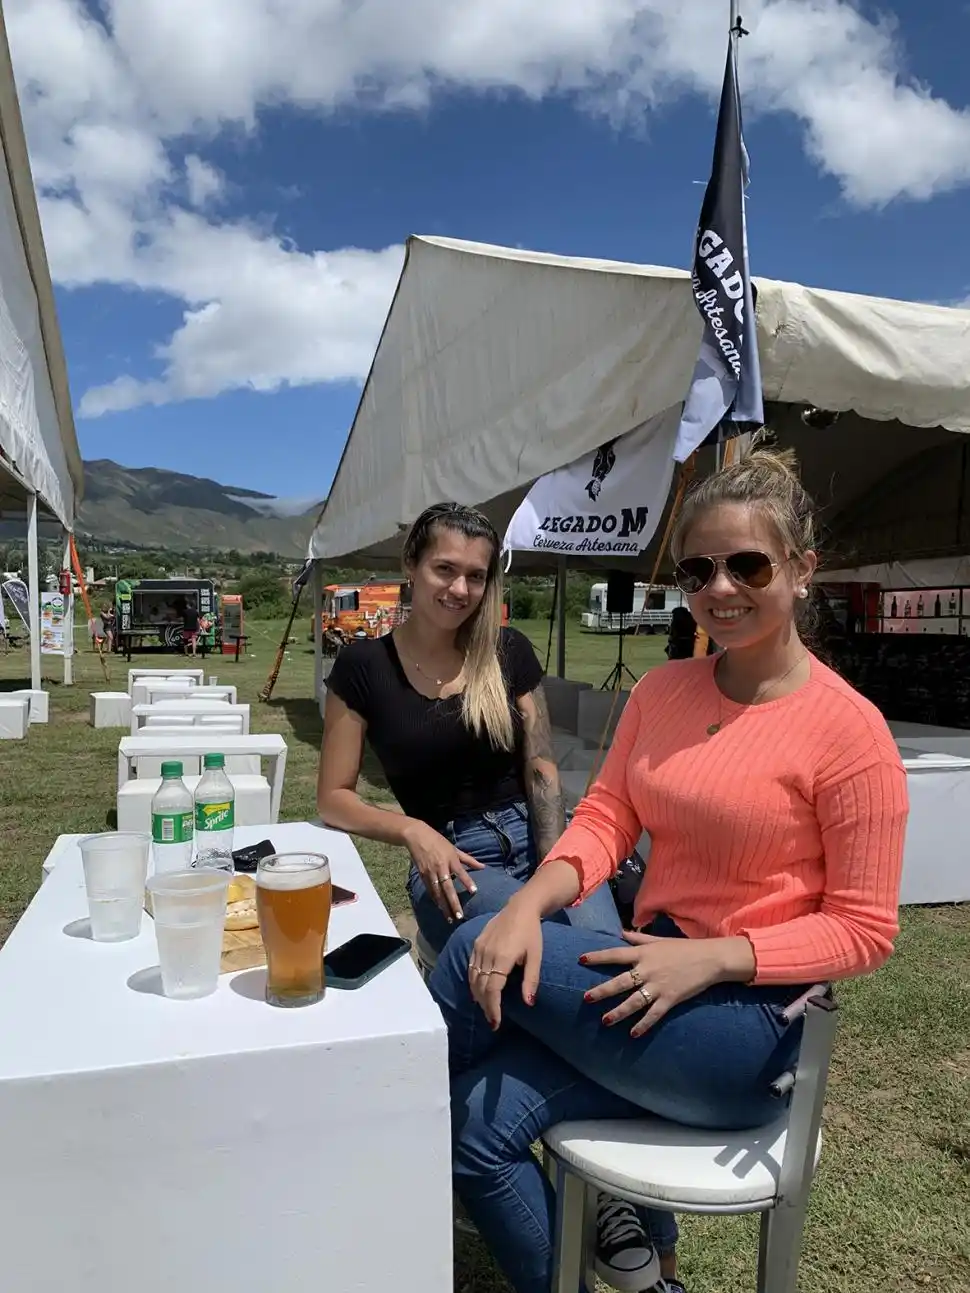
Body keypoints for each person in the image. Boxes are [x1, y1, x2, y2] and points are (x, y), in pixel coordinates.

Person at [427, 447, 909, 1293]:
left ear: (802, 571)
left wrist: (717, 956)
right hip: (645, 982)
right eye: (697, 569)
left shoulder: (850, 731)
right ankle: (648, 1281)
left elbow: (865, 928)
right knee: (475, 1130)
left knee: (469, 959)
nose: (719, 588)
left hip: (746, 1029)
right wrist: (528, 904)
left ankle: (379, 1130)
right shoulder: (663, 692)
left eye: (747, 564)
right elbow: (606, 821)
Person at [317, 503, 658, 1289]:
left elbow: (542, 774)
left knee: (604, 967)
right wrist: (410, 829)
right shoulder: (364, 667)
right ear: (412, 564)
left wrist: (555, 877)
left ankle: (585, 1178)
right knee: (562, 985)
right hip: (452, 862)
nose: (461, 587)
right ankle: (604, 1193)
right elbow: (333, 796)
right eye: (446, 568)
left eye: (476, 573)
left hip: (546, 846)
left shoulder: (506, 649)